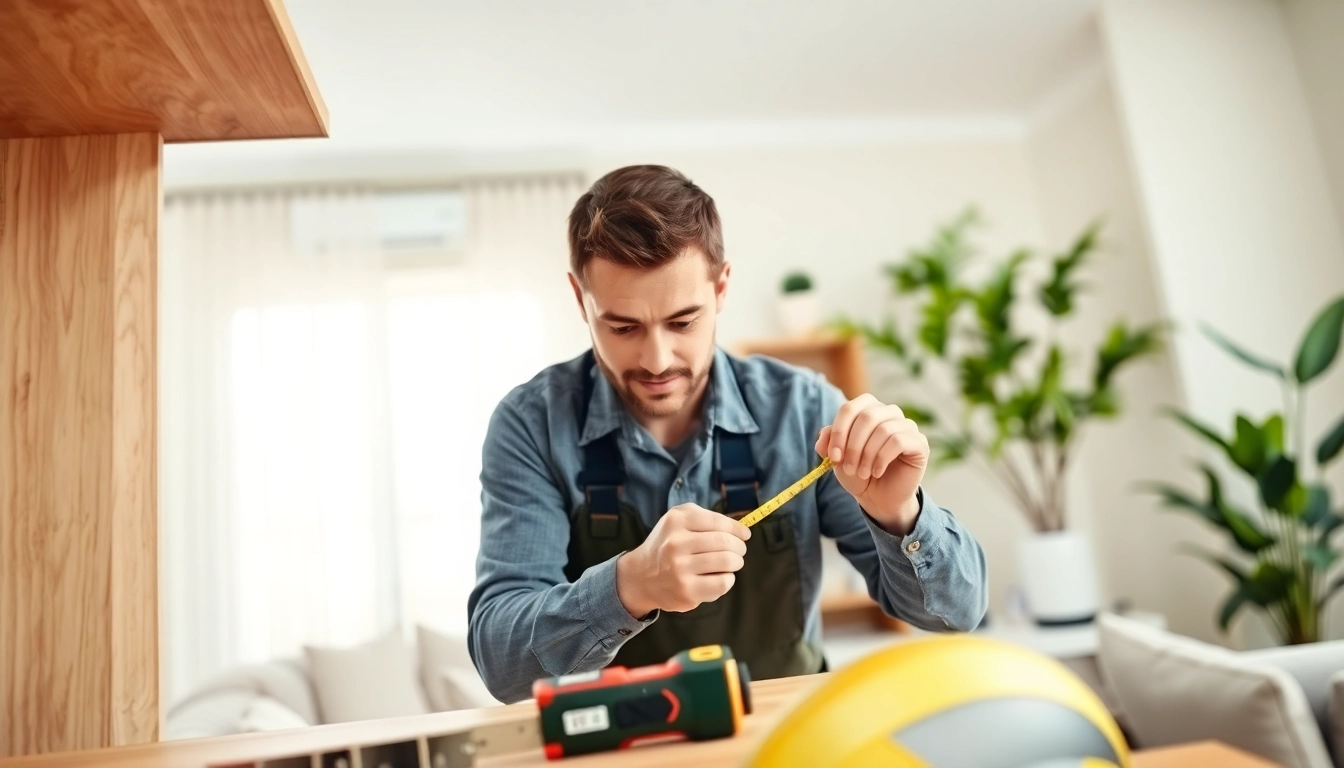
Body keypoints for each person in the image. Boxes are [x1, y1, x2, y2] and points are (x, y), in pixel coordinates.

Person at [467, 165, 988, 703]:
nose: (657, 359)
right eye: (623, 327)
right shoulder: (530, 426)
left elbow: (956, 616)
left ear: (721, 288)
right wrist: (631, 585)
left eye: (683, 321)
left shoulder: (805, 408)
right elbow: (502, 665)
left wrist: (900, 513)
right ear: (581, 300)